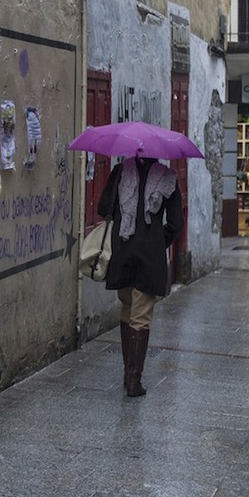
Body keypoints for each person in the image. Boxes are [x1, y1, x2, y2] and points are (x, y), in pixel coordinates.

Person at [97, 156, 183, 397]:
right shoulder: (168, 179)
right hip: (149, 256)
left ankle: (128, 373)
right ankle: (134, 380)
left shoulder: (120, 172)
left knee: (127, 309)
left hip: (123, 252)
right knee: (141, 317)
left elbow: (103, 208)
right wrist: (158, 241)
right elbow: (176, 223)